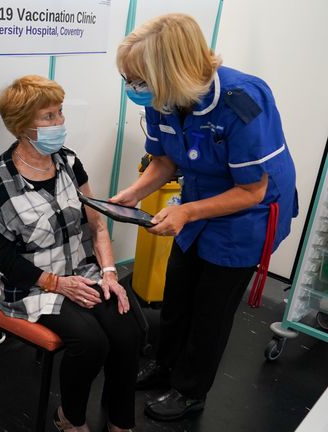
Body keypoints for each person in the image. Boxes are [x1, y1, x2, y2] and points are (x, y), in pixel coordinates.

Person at [112, 13, 298, 421]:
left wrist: (188, 212)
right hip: (198, 201)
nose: (133, 89)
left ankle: (190, 391)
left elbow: (254, 189)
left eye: (139, 80)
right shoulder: (164, 99)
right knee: (178, 291)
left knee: (211, 309)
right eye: (129, 79)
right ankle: (164, 367)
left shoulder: (242, 100)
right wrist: (128, 197)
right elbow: (162, 163)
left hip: (247, 214)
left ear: (171, 72)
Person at [0, 75, 141, 432]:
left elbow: (96, 225)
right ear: (22, 127)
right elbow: (5, 260)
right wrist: (57, 284)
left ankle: (121, 421)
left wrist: (109, 273)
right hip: (33, 285)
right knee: (91, 342)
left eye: (59, 112)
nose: (60, 122)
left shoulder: (69, 161)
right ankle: (71, 419)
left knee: (128, 328)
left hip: (83, 270)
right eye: (48, 116)